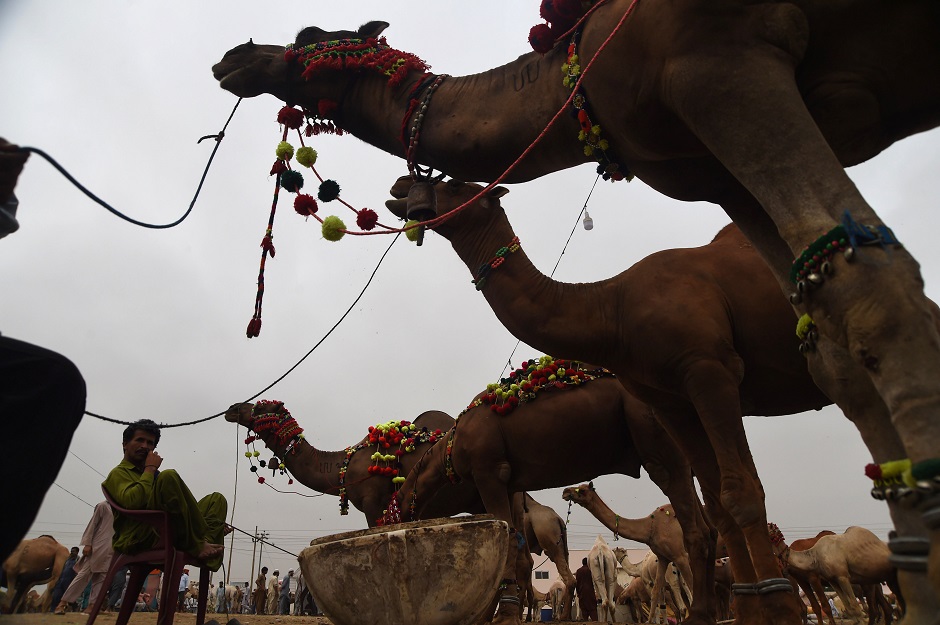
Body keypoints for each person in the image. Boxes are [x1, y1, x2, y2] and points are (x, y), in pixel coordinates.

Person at [0, 137, 87, 563]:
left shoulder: (158, 478)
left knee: (54, 381)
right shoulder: (124, 484)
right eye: (140, 442)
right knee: (54, 382)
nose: (145, 448)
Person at [102, 419, 228, 574]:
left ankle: (204, 540)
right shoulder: (118, 473)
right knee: (169, 476)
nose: (145, 446)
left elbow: (181, 506)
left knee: (216, 499)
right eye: (139, 440)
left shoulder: (154, 474)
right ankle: (199, 544)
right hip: (140, 536)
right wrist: (150, 469)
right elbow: (133, 502)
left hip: (167, 528)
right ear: (125, 444)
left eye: (150, 443)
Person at [54, 500, 115, 615]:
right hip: (97, 547)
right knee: (84, 575)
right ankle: (62, 604)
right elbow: (92, 524)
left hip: (110, 549)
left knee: (101, 577)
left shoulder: (121, 509)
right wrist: (88, 543)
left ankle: (92, 606)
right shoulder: (103, 506)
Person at [574, 557, 598, 621]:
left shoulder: (578, 571)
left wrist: (578, 593)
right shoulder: (591, 570)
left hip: (582, 593)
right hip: (590, 593)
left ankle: (586, 621)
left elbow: (577, 583)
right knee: (593, 610)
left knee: (584, 611)